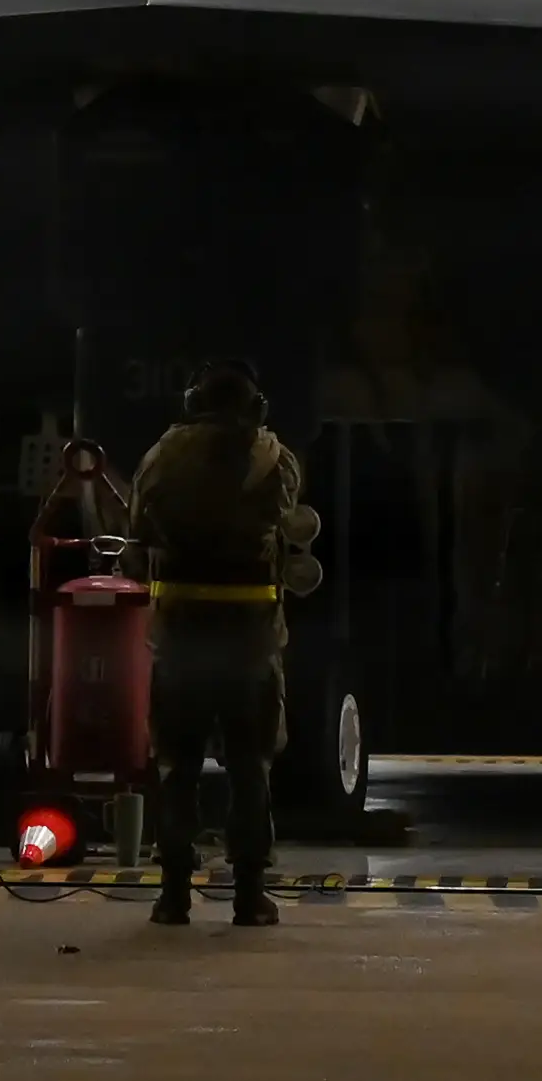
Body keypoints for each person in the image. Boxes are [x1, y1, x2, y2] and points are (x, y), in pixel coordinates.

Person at [127, 357, 321, 928]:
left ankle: (173, 897)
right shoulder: (276, 459)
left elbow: (138, 535)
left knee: (177, 767)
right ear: (256, 408)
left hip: (181, 636)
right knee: (250, 767)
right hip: (250, 639)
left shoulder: (161, 457)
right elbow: (285, 524)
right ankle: (249, 896)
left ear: (193, 403)